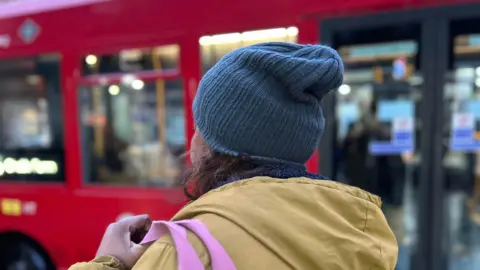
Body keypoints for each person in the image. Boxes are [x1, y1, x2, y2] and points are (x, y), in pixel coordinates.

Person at [69, 42, 398, 270]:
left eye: (201, 127)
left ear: (215, 147)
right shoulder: (360, 234)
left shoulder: (186, 252)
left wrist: (107, 263)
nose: (193, 139)